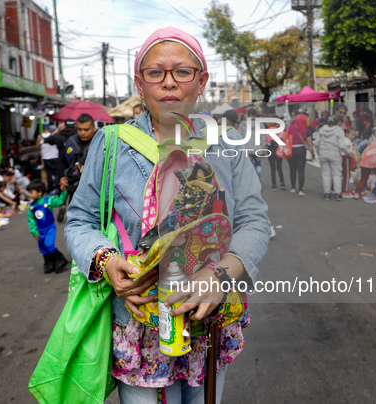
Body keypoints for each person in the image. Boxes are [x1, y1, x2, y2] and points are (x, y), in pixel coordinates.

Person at [64, 26, 270, 403]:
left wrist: (220, 273)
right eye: (156, 73)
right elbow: (80, 220)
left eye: (183, 71)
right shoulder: (110, 145)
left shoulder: (226, 145)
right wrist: (106, 259)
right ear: (140, 84)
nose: (169, 83)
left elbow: (255, 221)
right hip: (139, 321)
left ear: (202, 80)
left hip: (206, 319)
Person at [27, 179, 68, 274]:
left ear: (39, 192)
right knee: (42, 247)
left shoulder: (48, 201)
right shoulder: (32, 207)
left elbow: (60, 201)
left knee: (49, 245)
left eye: (31, 192)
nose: (29, 195)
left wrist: (64, 191)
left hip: (49, 228)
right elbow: (31, 221)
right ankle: (49, 263)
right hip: (39, 230)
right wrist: (34, 232)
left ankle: (60, 259)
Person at [315, 115, 347, 201]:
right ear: (339, 122)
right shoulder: (339, 130)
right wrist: (348, 152)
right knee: (336, 174)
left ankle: (327, 194)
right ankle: (337, 194)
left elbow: (316, 143)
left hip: (323, 153)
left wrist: (319, 151)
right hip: (335, 153)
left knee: (325, 174)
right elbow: (341, 145)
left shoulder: (322, 129)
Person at [287, 112, 314, 196]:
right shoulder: (306, 130)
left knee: (292, 169)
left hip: (291, 149)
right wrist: (312, 153)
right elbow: (309, 143)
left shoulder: (289, 128)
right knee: (301, 170)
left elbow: (285, 138)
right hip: (301, 150)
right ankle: (301, 190)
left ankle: (292, 187)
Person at [36, 126, 59, 194]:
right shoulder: (53, 135)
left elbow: (37, 146)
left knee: (48, 174)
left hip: (46, 157)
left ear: (42, 130)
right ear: (49, 129)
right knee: (57, 173)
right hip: (55, 156)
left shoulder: (40, 136)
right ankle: (57, 187)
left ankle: (50, 188)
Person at [266, 119, 286, 191]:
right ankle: (282, 183)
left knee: (272, 168)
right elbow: (283, 139)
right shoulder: (280, 130)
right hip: (278, 149)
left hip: (271, 149)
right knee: (279, 167)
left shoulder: (268, 130)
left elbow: (267, 141)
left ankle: (274, 184)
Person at [341, 129, 358, 197]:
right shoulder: (347, 141)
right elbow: (348, 150)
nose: (353, 136)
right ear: (347, 134)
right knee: (347, 175)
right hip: (346, 158)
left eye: (354, 135)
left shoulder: (345, 140)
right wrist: (354, 155)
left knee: (343, 174)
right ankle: (344, 191)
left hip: (343, 157)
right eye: (352, 134)